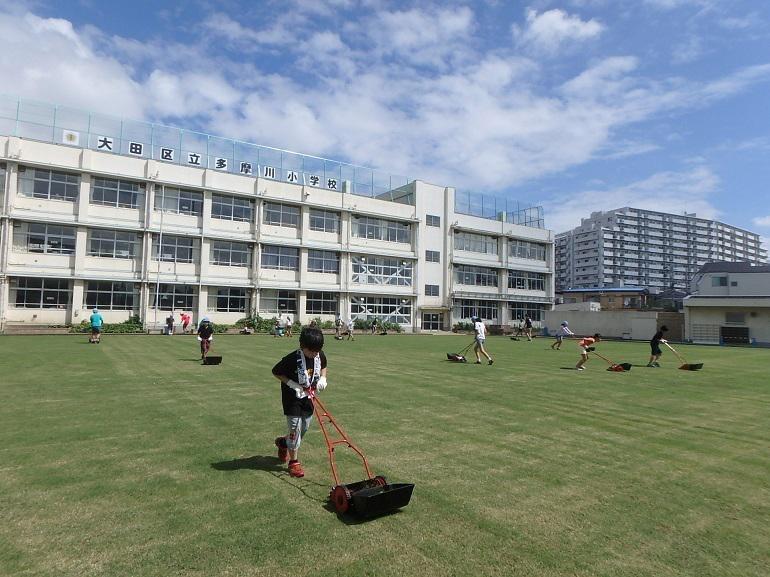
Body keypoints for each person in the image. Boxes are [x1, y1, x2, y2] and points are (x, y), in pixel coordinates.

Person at [272, 326, 328, 478]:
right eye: (312, 351)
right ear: (302, 346)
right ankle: (294, 462)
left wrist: (323, 378)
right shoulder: (291, 359)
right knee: (295, 427)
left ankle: (284, 443)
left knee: (304, 427)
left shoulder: (318, 355)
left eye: (317, 351)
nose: (315, 354)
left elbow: (323, 366)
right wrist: (292, 384)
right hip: (293, 398)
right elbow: (276, 372)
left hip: (309, 397)